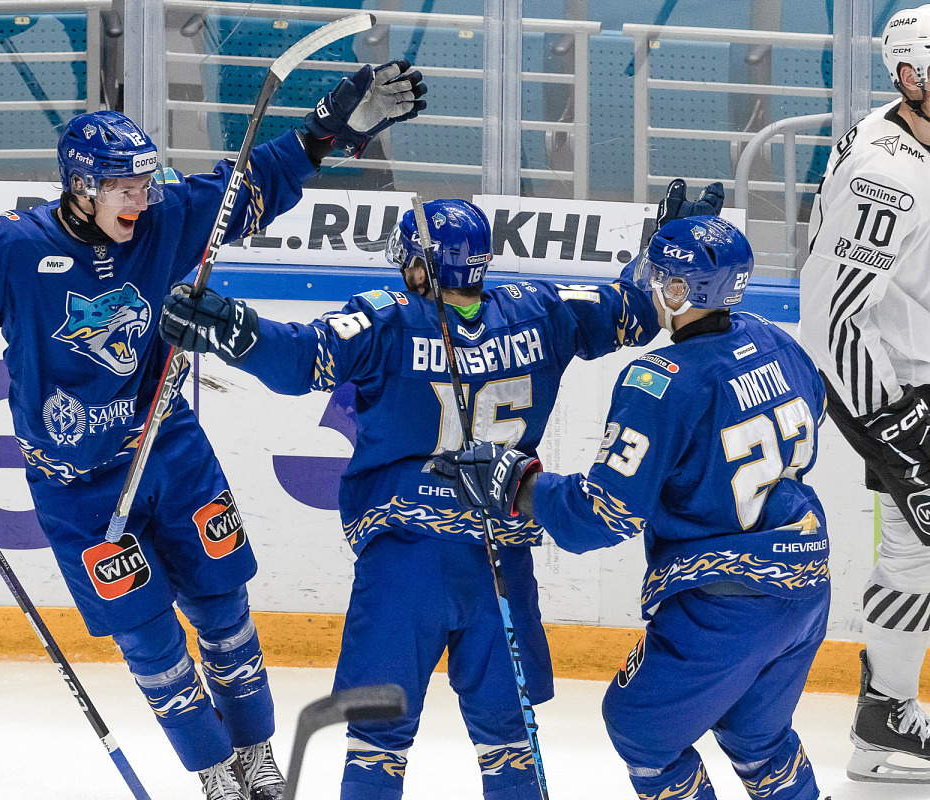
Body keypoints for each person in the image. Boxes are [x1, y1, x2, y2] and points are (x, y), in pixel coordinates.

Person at [0, 60, 426, 800]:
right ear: (82, 187)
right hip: (77, 486)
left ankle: (254, 754)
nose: (141, 199)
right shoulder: (14, 248)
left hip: (168, 447)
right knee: (149, 639)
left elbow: (251, 188)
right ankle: (213, 769)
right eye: (124, 188)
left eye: (145, 184)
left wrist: (326, 132)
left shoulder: (165, 219)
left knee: (224, 609)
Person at [158, 195, 666, 800]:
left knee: (377, 741)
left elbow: (301, 359)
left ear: (423, 268)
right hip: (500, 563)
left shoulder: (386, 320)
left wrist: (232, 329)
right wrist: (659, 255)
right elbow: (634, 309)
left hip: (404, 564)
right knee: (509, 741)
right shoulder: (540, 308)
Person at [436, 216, 831, 800]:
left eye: (662, 276)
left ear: (683, 291)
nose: (650, 284)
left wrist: (517, 484)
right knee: (758, 738)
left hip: (726, 603)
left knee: (639, 728)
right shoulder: (774, 337)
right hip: (807, 586)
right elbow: (813, 409)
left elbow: (601, 515)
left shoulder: (660, 380)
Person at [799, 4, 930, 783]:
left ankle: (885, 719)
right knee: (914, 551)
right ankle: (885, 716)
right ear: (910, 76)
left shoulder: (913, 134)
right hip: (900, 388)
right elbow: (831, 317)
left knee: (915, 554)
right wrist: (897, 425)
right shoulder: (887, 178)